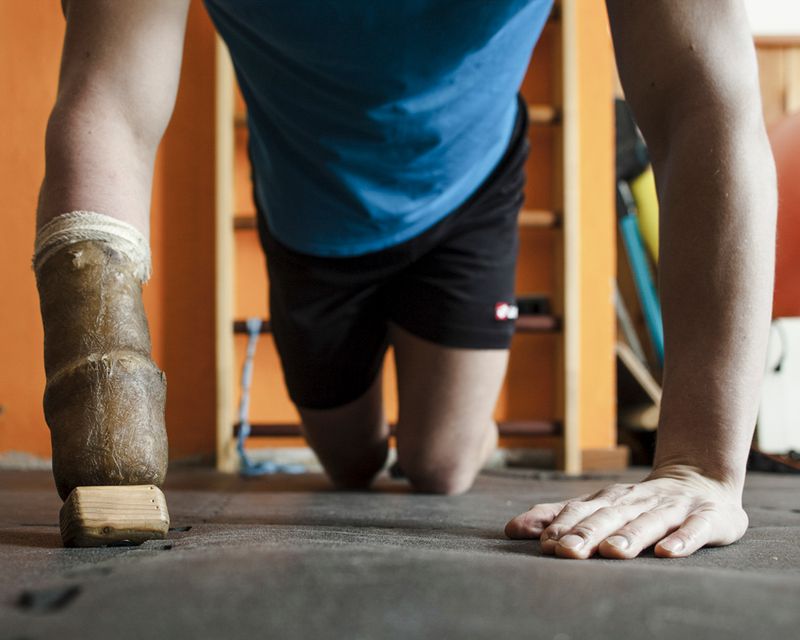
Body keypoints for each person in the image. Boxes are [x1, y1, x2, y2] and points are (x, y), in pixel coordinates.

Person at [36, 0, 776, 558]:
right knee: (349, 461)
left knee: (440, 464)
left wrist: (700, 467)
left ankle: (453, 417)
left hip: (466, 193)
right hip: (308, 216)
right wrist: (107, 435)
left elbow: (701, 93)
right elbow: (108, 102)